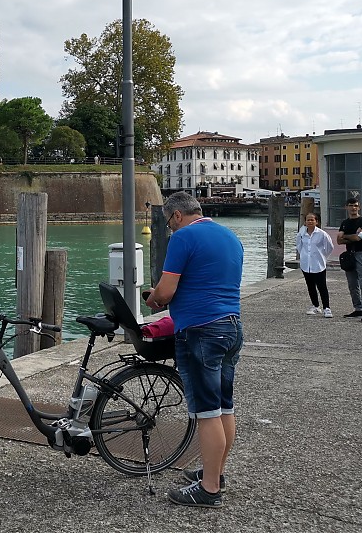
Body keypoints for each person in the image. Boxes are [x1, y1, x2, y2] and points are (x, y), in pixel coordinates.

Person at [144, 191, 243, 509]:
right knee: (224, 407)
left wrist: (153, 298)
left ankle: (209, 489)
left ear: (176, 216)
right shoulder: (231, 237)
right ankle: (216, 473)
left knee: (206, 411)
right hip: (231, 326)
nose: (170, 228)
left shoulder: (183, 237)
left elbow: (167, 290)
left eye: (168, 222)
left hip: (201, 330)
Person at [336, 197, 362, 323]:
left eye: (356, 205)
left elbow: (359, 238)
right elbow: (339, 240)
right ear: (346, 207)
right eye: (351, 205)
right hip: (349, 255)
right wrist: (352, 236)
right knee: (352, 284)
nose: (353, 208)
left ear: (359, 207)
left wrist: (346, 236)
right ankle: (358, 308)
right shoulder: (345, 223)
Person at [296, 213, 335, 317]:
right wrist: (304, 256)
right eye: (308, 220)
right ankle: (315, 305)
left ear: (316, 222)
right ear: (305, 222)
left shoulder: (322, 234)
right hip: (306, 263)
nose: (310, 222)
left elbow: (329, 247)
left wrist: (322, 256)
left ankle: (327, 307)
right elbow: (299, 246)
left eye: (312, 220)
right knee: (310, 286)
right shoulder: (301, 234)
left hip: (318, 264)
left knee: (322, 286)